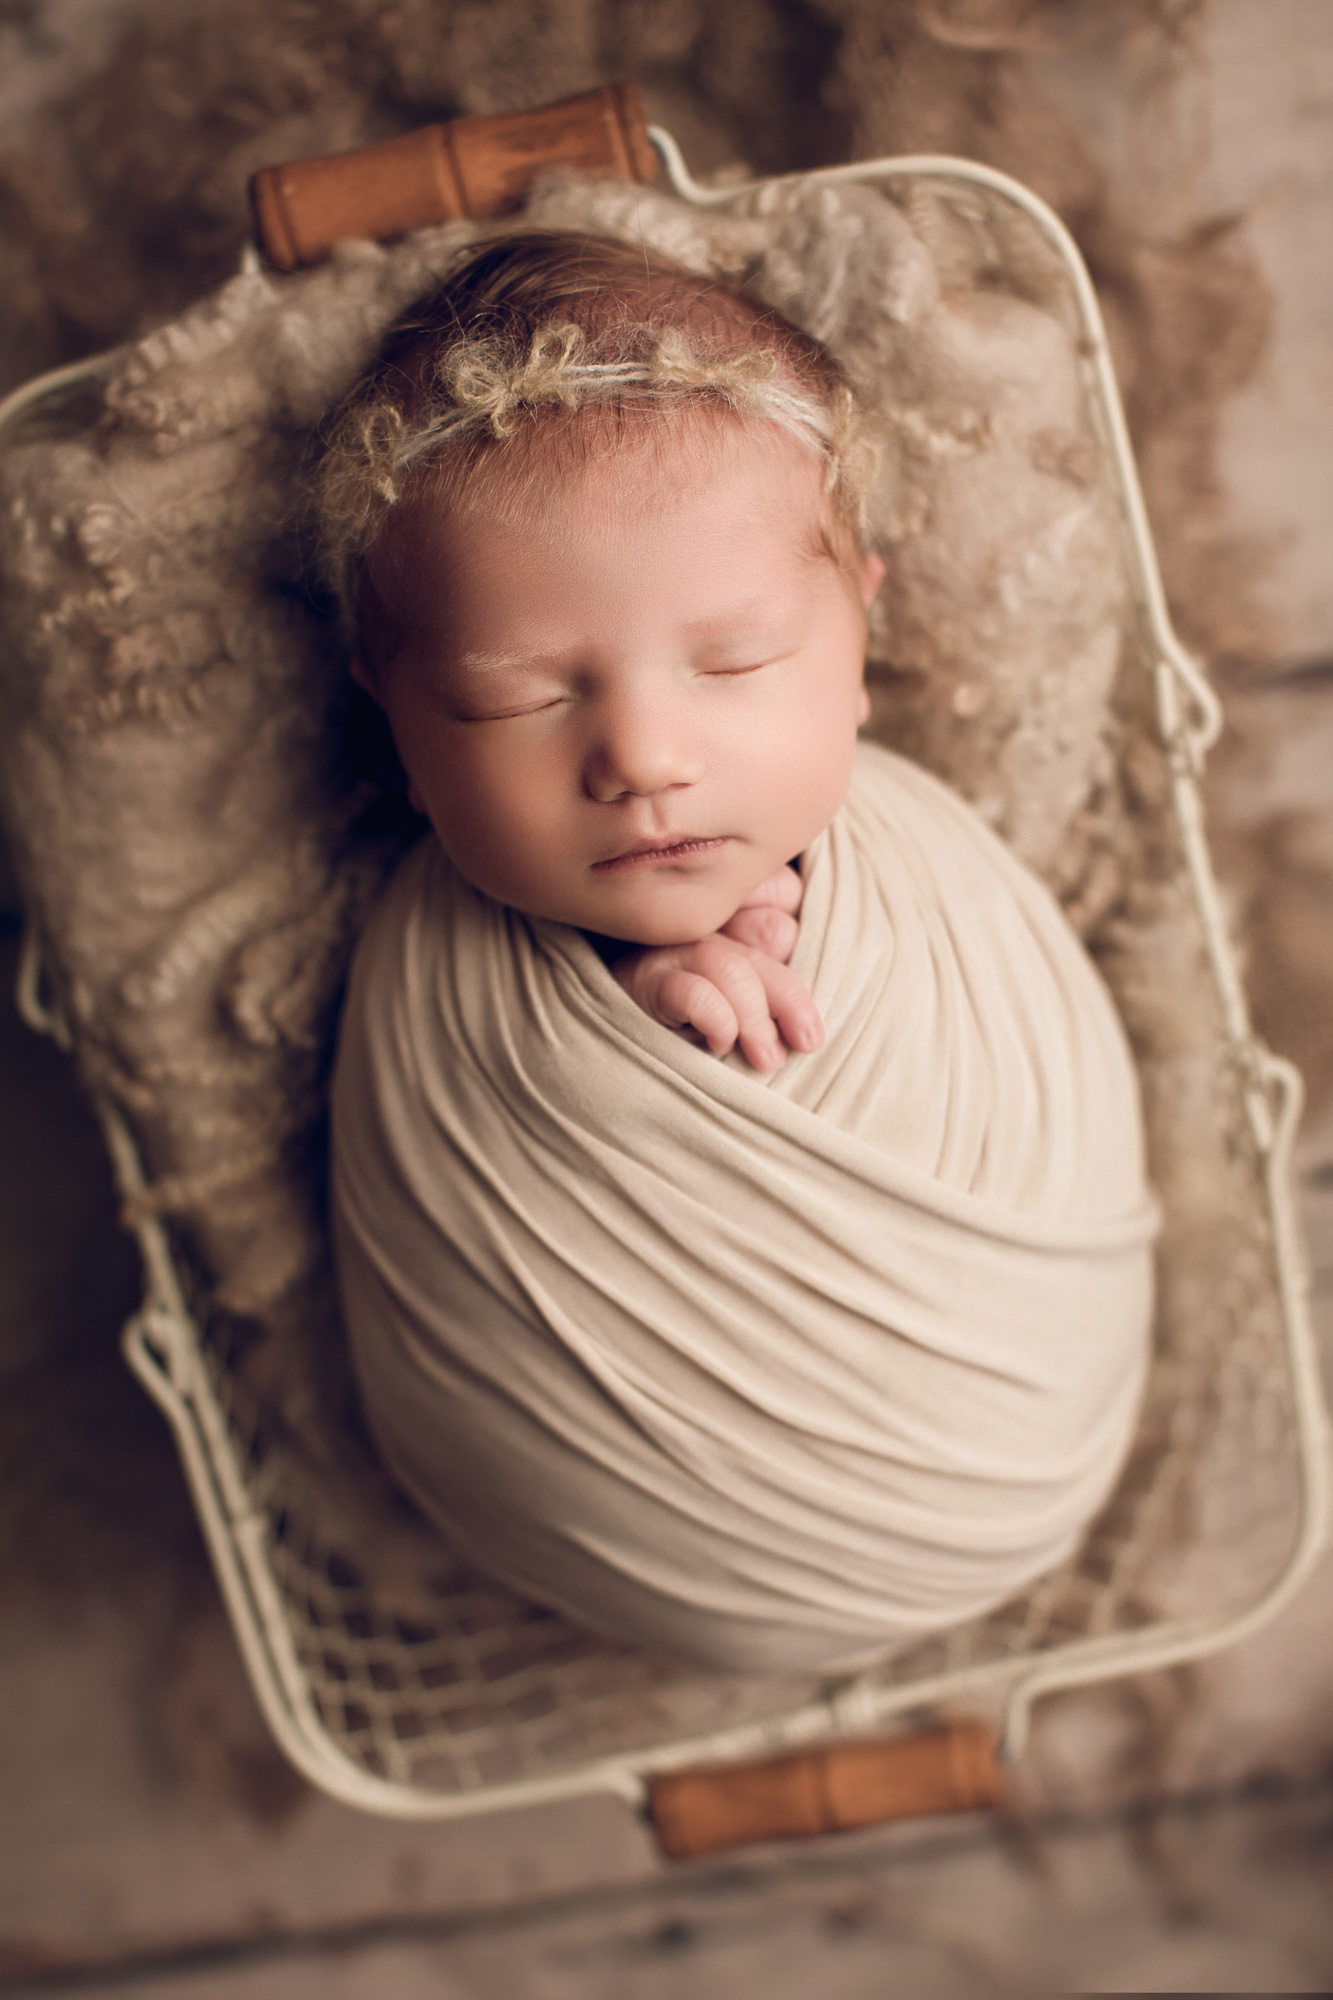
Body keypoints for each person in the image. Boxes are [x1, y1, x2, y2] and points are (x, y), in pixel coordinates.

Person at [321, 229, 1159, 1677]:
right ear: (387, 712)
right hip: (622, 1519)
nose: (642, 756)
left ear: (859, 634)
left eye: (733, 663)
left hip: (1017, 1441)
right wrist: (626, 1014)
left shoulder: (923, 863)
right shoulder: (432, 961)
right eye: (508, 698)